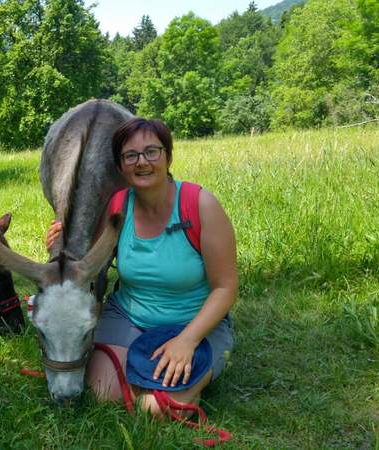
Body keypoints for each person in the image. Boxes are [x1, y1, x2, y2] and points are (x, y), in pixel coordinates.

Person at [45, 117, 237, 416]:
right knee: (102, 392)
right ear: (121, 167)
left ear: (168, 156)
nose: (141, 162)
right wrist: (58, 248)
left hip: (192, 320)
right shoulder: (119, 205)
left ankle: (169, 383)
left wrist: (187, 341)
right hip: (129, 316)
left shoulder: (200, 204)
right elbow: (90, 266)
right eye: (130, 156)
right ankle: (154, 376)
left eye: (151, 152)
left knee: (158, 410)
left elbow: (225, 288)